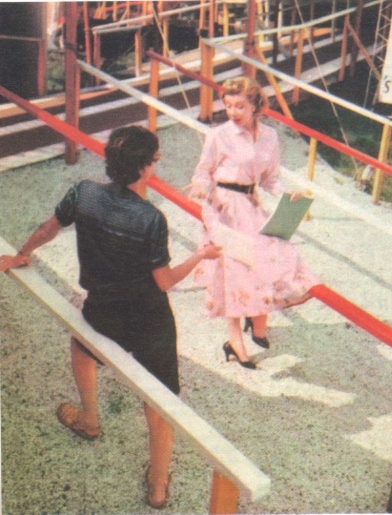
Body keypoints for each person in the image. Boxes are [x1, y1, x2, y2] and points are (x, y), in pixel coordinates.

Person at [0, 126, 221, 509]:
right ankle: (156, 483)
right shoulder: (152, 219)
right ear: (144, 167)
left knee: (83, 349)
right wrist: (201, 256)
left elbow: (50, 227)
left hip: (103, 309)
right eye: (155, 159)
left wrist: (23, 253)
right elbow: (165, 281)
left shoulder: (84, 193)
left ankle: (89, 420)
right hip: (149, 318)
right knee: (161, 398)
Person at [189, 77, 320, 369]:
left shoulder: (270, 137)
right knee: (233, 271)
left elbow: (270, 178)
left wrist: (288, 194)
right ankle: (234, 339)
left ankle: (258, 320)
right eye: (228, 106)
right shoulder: (218, 135)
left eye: (240, 106)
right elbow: (201, 174)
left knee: (276, 256)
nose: (233, 112)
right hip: (222, 206)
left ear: (255, 105)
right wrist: (208, 192)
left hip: (249, 204)